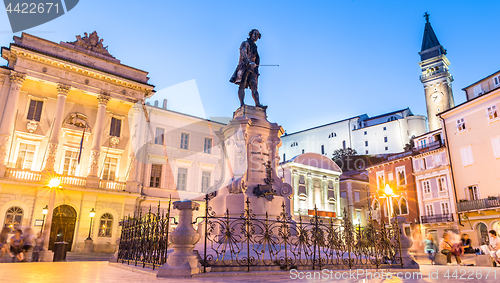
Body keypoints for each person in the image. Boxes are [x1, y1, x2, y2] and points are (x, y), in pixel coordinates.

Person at [230, 29, 265, 108]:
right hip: (244, 67)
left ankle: (258, 104)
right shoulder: (244, 43)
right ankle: (242, 104)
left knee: (254, 87)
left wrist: (256, 66)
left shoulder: (255, 47)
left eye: (257, 34)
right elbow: (243, 54)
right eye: (254, 34)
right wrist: (249, 62)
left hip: (253, 69)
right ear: (251, 34)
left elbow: (256, 58)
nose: (255, 36)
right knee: (242, 85)